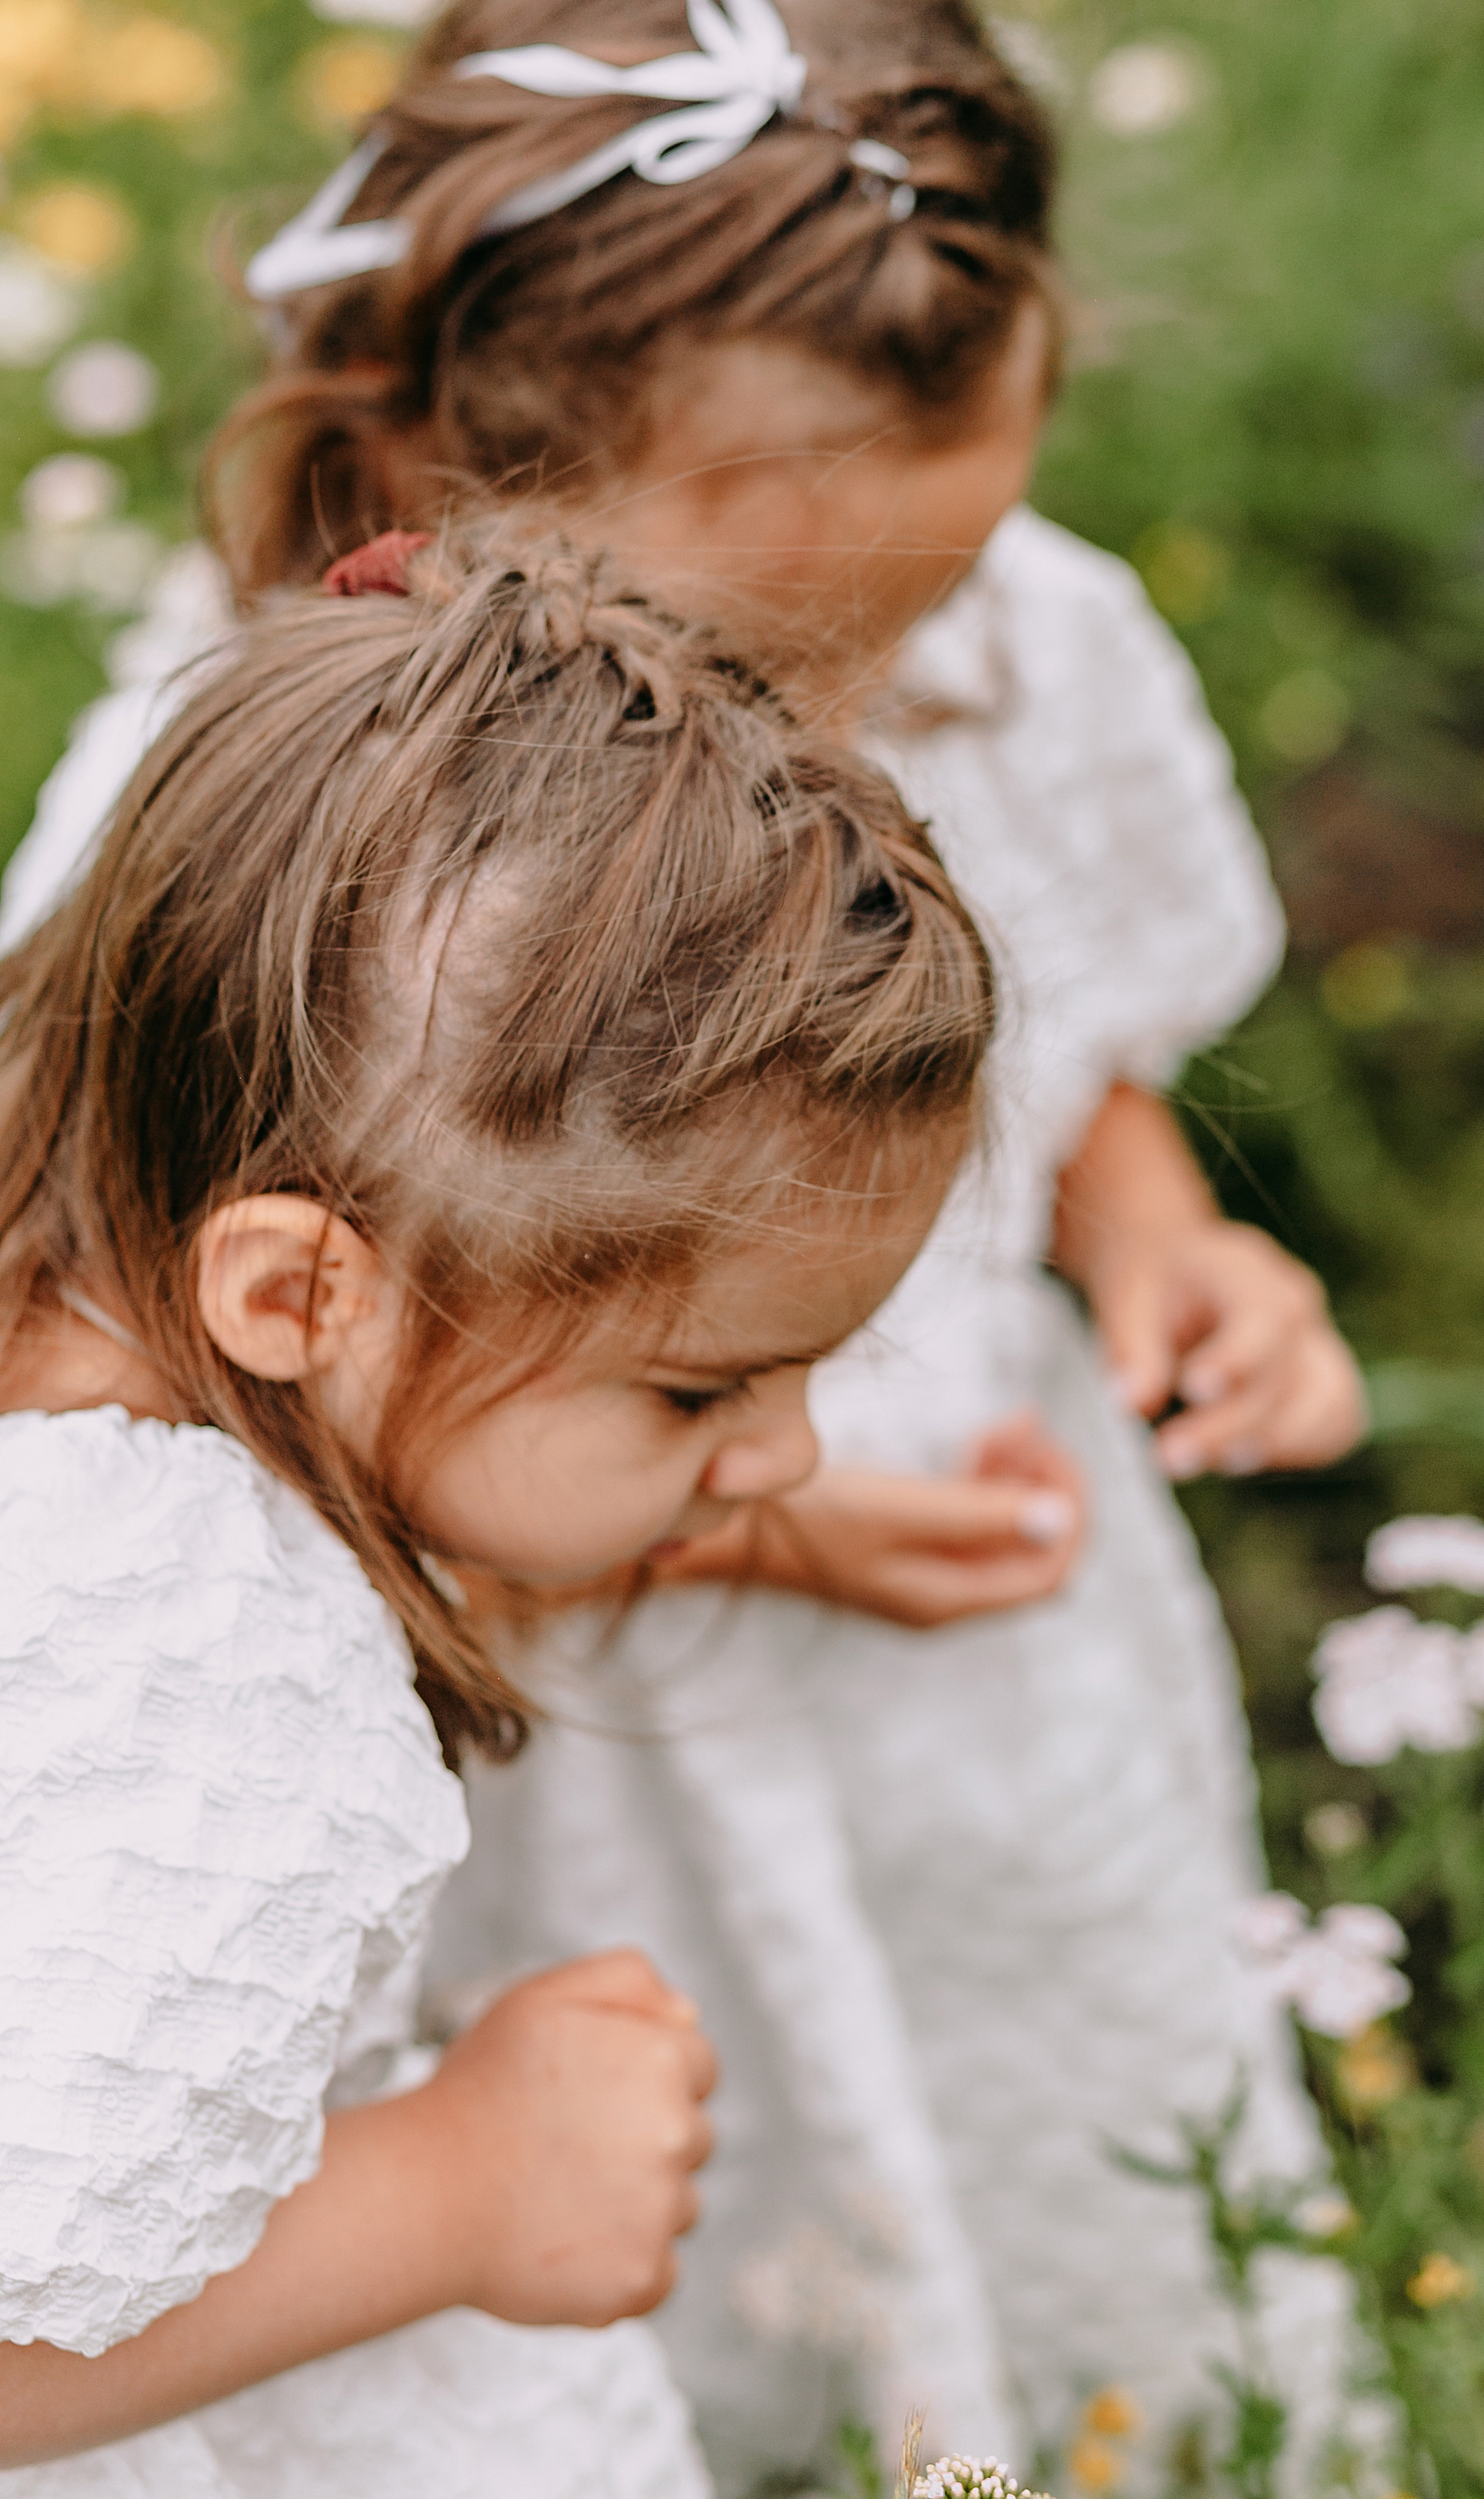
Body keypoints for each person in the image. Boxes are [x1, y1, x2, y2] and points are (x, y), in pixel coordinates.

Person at [1, 1, 1372, 2483]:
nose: (862, 704)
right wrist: (459, 2184)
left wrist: (1159, 1230)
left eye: (919, 613)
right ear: (487, 492)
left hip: (946, 1645)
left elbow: (1080, 1043)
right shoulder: (292, 849)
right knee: (718, 2182)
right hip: (583, 1684)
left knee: (1036, 2090)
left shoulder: (1012, 645)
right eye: (775, 649)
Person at [0, 519, 998, 2497]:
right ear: (294, 1295)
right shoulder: (226, 1677)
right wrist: (464, 2185)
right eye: (704, 1386)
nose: (785, 1451)